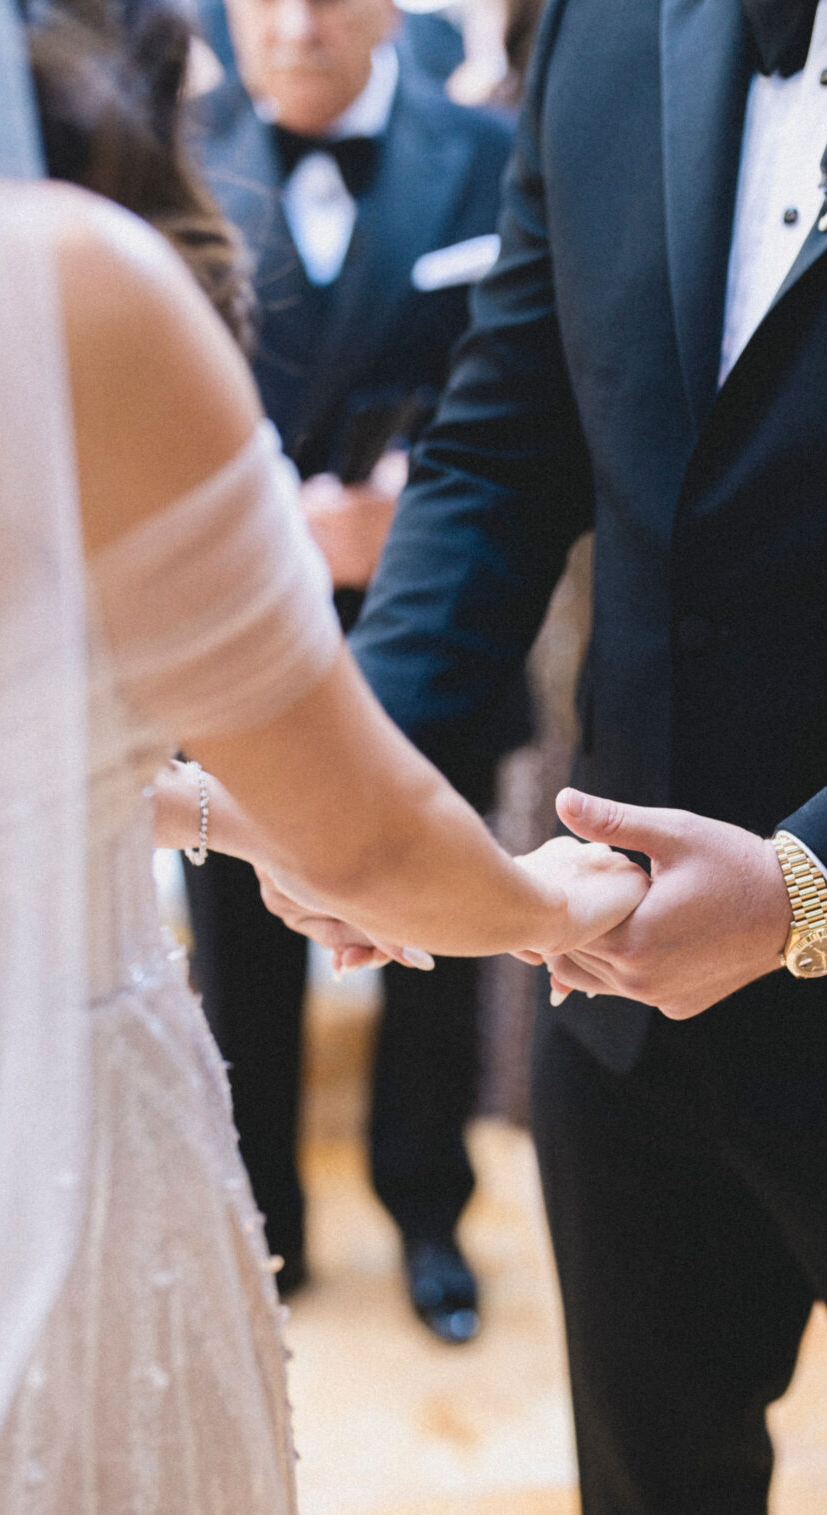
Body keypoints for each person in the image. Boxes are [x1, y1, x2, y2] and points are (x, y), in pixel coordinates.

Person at [346, 0, 827, 1515]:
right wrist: (367, 785)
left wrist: (826, 877)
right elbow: (500, 441)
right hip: (623, 1009)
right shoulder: (601, 30)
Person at [0, 2, 647, 1515]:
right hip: (52, 1115)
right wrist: (554, 904)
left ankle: (424, 1214)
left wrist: (214, 805)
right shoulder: (68, 273)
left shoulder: (480, 155)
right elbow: (359, 837)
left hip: (302, 706)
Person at [182, 0, 519, 1333]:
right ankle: (271, 1222)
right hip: (236, 642)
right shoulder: (167, 157)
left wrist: (417, 507)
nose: (295, 21)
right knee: (240, 934)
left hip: (442, 624)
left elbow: (531, 384)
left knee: (443, 924)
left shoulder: (489, 156)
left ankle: (430, 1211)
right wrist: (284, 525)